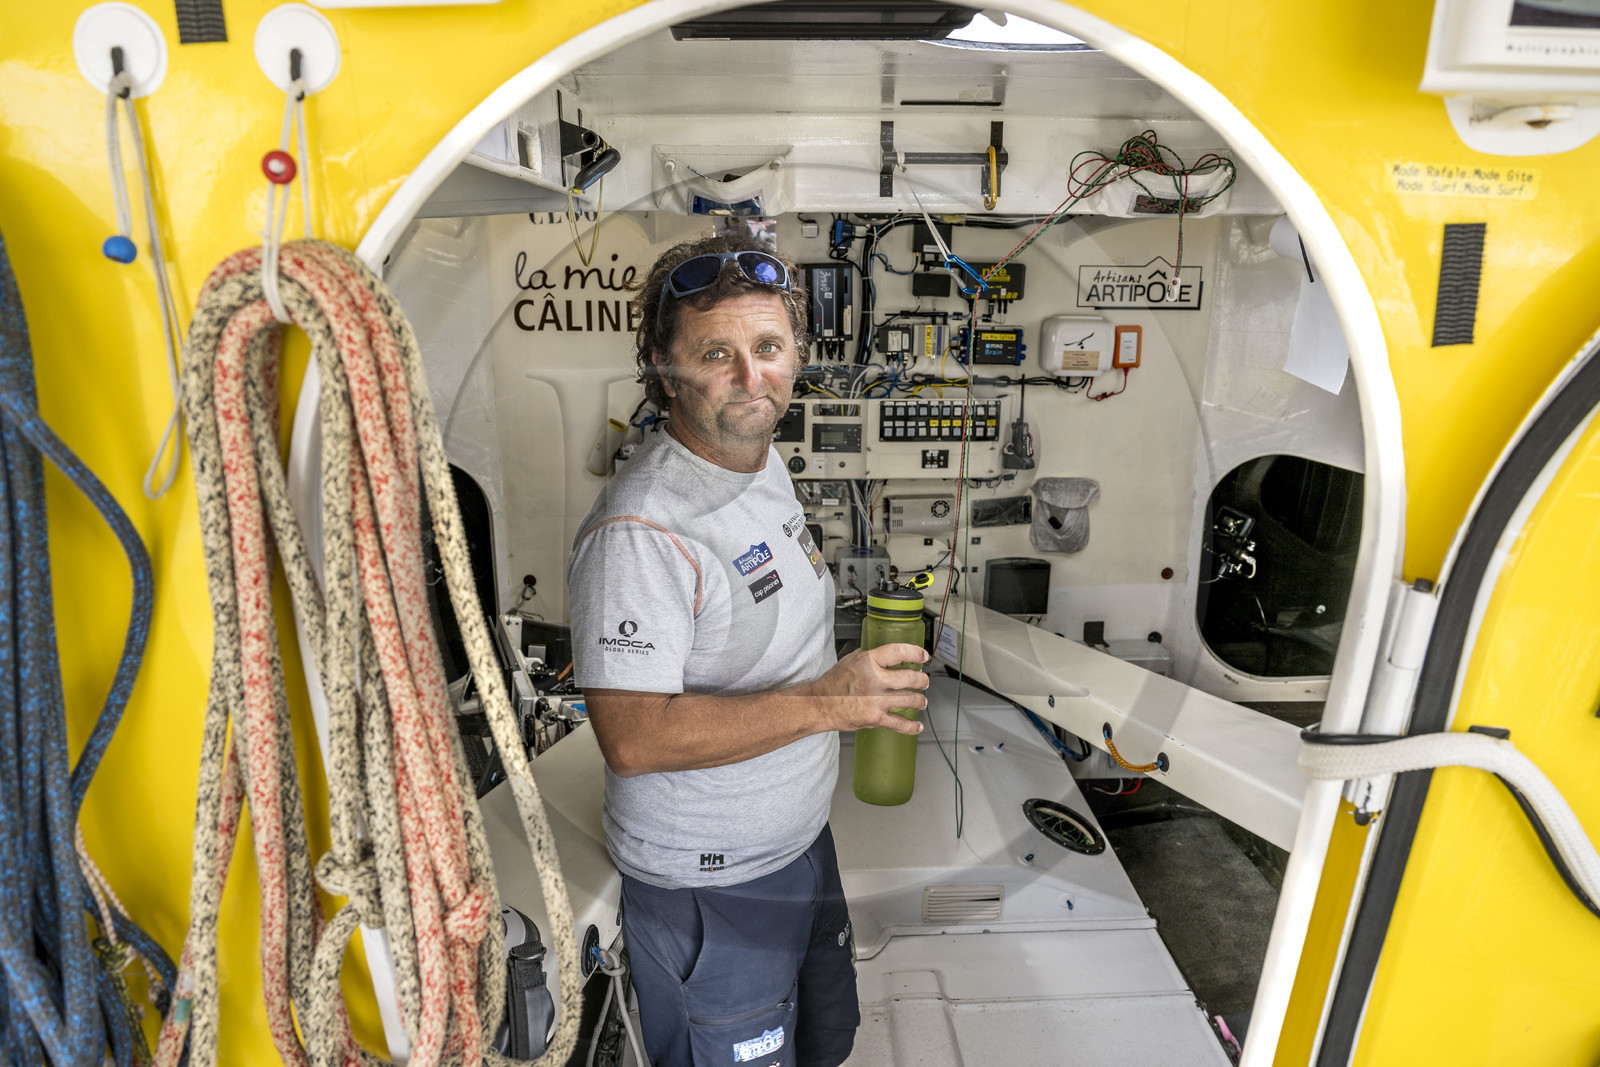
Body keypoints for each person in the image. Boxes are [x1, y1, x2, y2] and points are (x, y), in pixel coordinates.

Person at [566, 233, 930, 1067]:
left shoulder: (758, 463)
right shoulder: (642, 527)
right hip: (710, 883)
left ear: (797, 354)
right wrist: (833, 703)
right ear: (664, 368)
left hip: (799, 846)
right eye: (715, 353)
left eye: (767, 347)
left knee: (823, 1039)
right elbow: (635, 738)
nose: (748, 376)